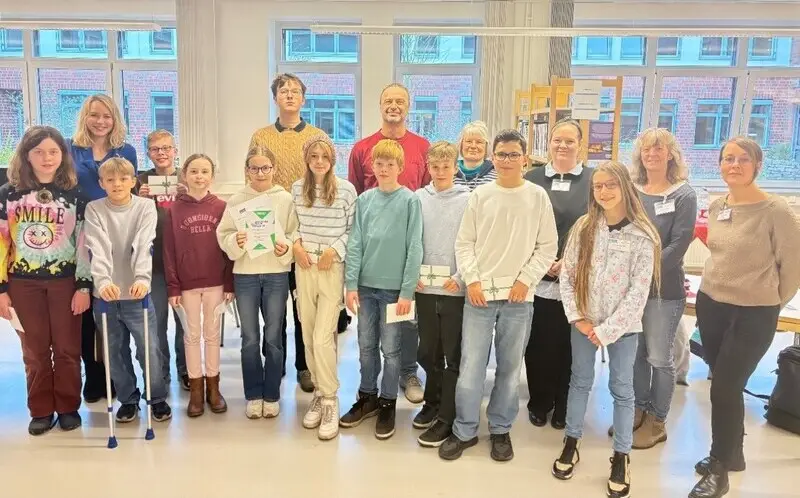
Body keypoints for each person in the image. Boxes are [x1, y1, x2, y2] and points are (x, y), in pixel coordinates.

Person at [689, 137, 800, 498]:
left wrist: (770, 302)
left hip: (754, 313)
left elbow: (793, 267)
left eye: (743, 159)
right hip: (711, 304)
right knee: (725, 382)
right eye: (728, 159)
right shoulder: (718, 205)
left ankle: (719, 468)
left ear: (757, 166)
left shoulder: (775, 210)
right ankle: (732, 454)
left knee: (724, 387)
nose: (734, 165)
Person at [439, 129, 558, 462]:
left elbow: (547, 246)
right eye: (501, 154)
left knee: (509, 368)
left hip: (519, 300)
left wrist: (526, 280)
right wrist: (472, 281)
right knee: (471, 367)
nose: (507, 160)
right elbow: (464, 243)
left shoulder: (537, 197)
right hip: (479, 297)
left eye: (513, 154)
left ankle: (501, 429)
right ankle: (464, 430)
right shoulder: (481, 196)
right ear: (493, 158)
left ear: (525, 159)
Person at [551, 161, 661, 498]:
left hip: (623, 328)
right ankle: (571, 442)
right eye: (598, 186)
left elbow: (639, 291)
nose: (604, 192)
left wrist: (608, 330)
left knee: (622, 389)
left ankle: (621, 456)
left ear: (625, 187)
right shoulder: (585, 227)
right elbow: (568, 277)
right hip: (584, 322)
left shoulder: (643, 235)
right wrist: (578, 318)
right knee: (580, 381)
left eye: (611, 185)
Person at [0, 126, 91, 435]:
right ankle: (40, 409)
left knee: (67, 348)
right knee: (35, 351)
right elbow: (1, 243)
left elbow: (83, 244)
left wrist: (83, 285)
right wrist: (1, 289)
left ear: (63, 156)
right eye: (38, 152)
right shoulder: (8, 194)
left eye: (53, 151)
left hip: (65, 282)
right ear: (26, 156)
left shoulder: (76, 195)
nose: (46, 158)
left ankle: (67, 407)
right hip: (22, 284)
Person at [348, 82, 430, 403]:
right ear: (380, 105)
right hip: (373, 261)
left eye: (400, 101)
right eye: (388, 101)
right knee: (371, 337)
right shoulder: (362, 148)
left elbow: (426, 196)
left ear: (408, 106)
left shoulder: (422, 147)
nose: (394, 106)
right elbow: (356, 196)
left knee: (407, 324)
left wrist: (415, 267)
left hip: (406, 252)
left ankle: (408, 373)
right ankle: (371, 389)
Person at [341, 139, 423, 440]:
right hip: (366, 286)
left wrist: (407, 291)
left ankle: (388, 401)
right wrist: (351, 284)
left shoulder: (410, 201)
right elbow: (355, 243)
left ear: (400, 167)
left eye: (390, 164)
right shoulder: (364, 200)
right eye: (379, 163)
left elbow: (414, 247)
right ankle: (368, 396)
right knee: (365, 345)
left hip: (394, 291)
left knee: (391, 349)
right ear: (372, 167)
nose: (384, 168)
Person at [249, 73, 325, 393]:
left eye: (295, 91)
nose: (290, 95)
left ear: (303, 99)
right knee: (274, 303)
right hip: (272, 227)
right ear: (275, 98)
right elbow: (252, 178)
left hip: (307, 228)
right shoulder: (261, 136)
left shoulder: (317, 136)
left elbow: (325, 179)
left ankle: (305, 365)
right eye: (284, 91)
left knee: (303, 303)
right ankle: (275, 361)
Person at [84, 157, 171, 423]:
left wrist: (142, 278)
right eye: (110, 180)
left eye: (123, 179)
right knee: (114, 353)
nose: (117, 184)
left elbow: (144, 243)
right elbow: (97, 247)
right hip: (106, 296)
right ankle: (128, 399)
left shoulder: (145, 206)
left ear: (133, 181)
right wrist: (103, 281)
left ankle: (156, 397)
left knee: (149, 349)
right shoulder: (94, 208)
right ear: (101, 183)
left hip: (137, 294)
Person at [627, 128, 697, 450]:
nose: (652, 155)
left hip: (663, 291)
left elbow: (679, 244)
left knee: (659, 357)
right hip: (631, 289)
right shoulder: (633, 190)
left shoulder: (684, 195)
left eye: (659, 149)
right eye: (646, 150)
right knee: (637, 355)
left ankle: (657, 421)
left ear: (671, 155)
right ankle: (638, 410)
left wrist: (644, 273)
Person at [217, 146, 297, 419]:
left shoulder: (284, 199)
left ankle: (271, 394)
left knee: (273, 336)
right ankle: (253, 394)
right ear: (247, 170)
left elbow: (293, 232)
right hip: (246, 275)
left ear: (274, 169)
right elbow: (224, 234)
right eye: (254, 168)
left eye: (265, 168)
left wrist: (286, 247)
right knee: (249, 338)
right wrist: (235, 241)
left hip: (276, 274)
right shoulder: (237, 200)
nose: (260, 173)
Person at [68, 94, 137, 403]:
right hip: (81, 233)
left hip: (116, 234)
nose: (100, 121)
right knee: (87, 305)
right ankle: (93, 373)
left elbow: (131, 189)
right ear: (85, 117)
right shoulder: (71, 149)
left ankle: (116, 373)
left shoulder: (126, 150)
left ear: (115, 119)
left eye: (107, 116)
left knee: (113, 307)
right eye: (94, 115)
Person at [523, 118, 591, 430]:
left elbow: (597, 227)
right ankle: (539, 401)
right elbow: (522, 225)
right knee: (539, 344)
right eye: (557, 140)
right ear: (548, 143)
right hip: (538, 275)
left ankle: (564, 404)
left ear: (580, 145)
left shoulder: (593, 180)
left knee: (569, 347)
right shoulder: (532, 178)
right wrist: (541, 260)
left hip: (577, 278)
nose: (562, 145)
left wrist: (569, 261)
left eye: (569, 141)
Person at [291, 134, 357, 440]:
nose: (319, 162)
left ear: (333, 159)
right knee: (307, 333)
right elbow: (291, 226)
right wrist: (296, 245)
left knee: (322, 337)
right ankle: (318, 391)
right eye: (314, 156)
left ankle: (330, 398)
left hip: (330, 267)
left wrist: (335, 250)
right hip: (305, 266)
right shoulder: (296, 188)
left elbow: (353, 230)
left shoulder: (346, 190)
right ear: (307, 159)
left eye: (325, 157)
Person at [163, 154, 234, 418]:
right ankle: (195, 390)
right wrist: (173, 287)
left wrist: (229, 283)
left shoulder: (222, 207)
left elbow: (228, 249)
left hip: (216, 282)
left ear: (212, 176)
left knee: (212, 335)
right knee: (191, 336)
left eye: (205, 171)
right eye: (194, 171)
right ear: (184, 175)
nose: (199, 176)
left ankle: (214, 387)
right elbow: (168, 251)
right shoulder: (173, 210)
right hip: (186, 285)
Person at [413, 141, 470, 448]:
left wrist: (461, 277)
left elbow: (472, 242)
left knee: (452, 355)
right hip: (424, 288)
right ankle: (431, 403)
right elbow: (411, 239)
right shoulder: (418, 198)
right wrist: (412, 275)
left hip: (453, 290)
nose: (440, 171)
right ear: (428, 167)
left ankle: (448, 413)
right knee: (428, 351)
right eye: (435, 166)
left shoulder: (468, 199)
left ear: (455, 167)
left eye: (446, 166)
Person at [136, 129, 189, 391]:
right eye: (156, 149)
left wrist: (188, 197)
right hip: (153, 261)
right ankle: (161, 373)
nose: (162, 153)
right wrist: (140, 201)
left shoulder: (187, 178)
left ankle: (186, 369)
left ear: (175, 151)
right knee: (156, 323)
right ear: (148, 153)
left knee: (184, 321)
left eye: (166, 148)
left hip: (183, 262)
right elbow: (130, 218)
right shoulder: (140, 181)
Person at [454, 120, 496, 191]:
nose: (473, 146)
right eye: (469, 141)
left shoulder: (496, 175)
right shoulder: (449, 171)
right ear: (461, 144)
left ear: (486, 146)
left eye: (479, 142)